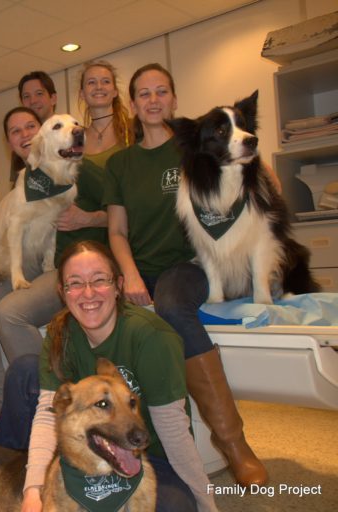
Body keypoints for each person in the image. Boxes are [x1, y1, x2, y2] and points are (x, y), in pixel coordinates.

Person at [103, 63, 267, 487]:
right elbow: (116, 231)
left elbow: (255, 184)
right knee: (106, 327)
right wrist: (131, 276)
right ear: (134, 105)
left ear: (174, 99)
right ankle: (141, 450)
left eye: (162, 91)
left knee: (174, 309)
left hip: (192, 264)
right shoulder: (121, 164)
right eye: (144, 93)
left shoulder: (200, 144)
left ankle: (233, 444)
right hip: (138, 269)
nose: (153, 100)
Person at [0, 63, 131, 440]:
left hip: (67, 264)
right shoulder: (24, 180)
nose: (23, 135)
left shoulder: (83, 167)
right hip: (25, 268)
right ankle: (8, 406)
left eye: (29, 127)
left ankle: (58, 406)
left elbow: (120, 215)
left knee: (10, 313)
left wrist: (86, 219)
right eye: (13, 131)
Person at [21, 241, 217, 512]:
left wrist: (207, 505)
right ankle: (14, 475)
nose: (88, 293)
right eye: (75, 283)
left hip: (149, 454)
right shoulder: (60, 333)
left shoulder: (152, 337)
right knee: (24, 371)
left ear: (118, 286)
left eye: (100, 280)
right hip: (83, 448)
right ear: (62, 292)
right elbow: (47, 413)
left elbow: (173, 428)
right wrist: (34, 491)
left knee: (177, 508)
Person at [9, 71, 59, 186]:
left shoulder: (70, 135)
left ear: (53, 98)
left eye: (39, 93)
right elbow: (19, 188)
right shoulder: (22, 144)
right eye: (27, 96)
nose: (33, 101)